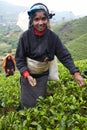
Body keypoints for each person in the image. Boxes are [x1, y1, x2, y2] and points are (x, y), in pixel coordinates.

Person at [15, 3, 85, 109]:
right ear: (32, 21)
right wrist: (27, 75)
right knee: (26, 103)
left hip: (42, 75)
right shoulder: (25, 37)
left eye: (44, 19)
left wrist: (75, 72)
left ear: (47, 19)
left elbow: (64, 55)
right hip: (27, 75)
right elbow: (19, 59)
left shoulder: (53, 37)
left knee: (39, 102)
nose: (40, 22)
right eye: (36, 19)